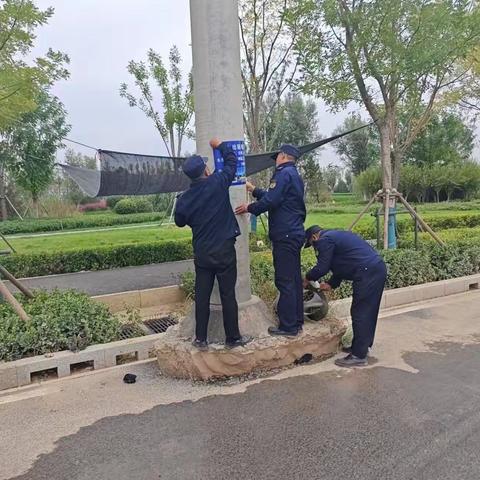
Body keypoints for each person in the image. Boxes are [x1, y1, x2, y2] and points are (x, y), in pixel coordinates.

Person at [175, 138, 250, 351]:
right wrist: (221, 145)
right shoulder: (217, 182)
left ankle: (200, 339)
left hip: (203, 253)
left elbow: (180, 221)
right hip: (224, 250)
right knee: (228, 294)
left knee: (202, 296)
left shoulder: (185, 199)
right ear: (206, 170)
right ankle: (233, 339)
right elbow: (232, 163)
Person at [236, 144, 306, 337]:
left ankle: (288, 327)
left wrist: (250, 208)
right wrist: (254, 190)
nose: (275, 160)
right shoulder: (294, 175)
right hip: (294, 233)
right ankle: (297, 322)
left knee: (284, 280)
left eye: (277, 157)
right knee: (293, 279)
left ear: (283, 156)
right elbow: (276, 198)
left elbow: (272, 201)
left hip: (285, 235)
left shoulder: (282, 174)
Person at [304, 225, 387, 367]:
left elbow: (323, 267)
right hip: (375, 269)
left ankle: (358, 356)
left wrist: (307, 278)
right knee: (368, 311)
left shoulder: (324, 240)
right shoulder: (335, 235)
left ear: (314, 237)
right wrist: (331, 284)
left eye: (312, 245)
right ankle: (361, 347)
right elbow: (340, 264)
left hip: (367, 272)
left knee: (360, 312)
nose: (314, 248)